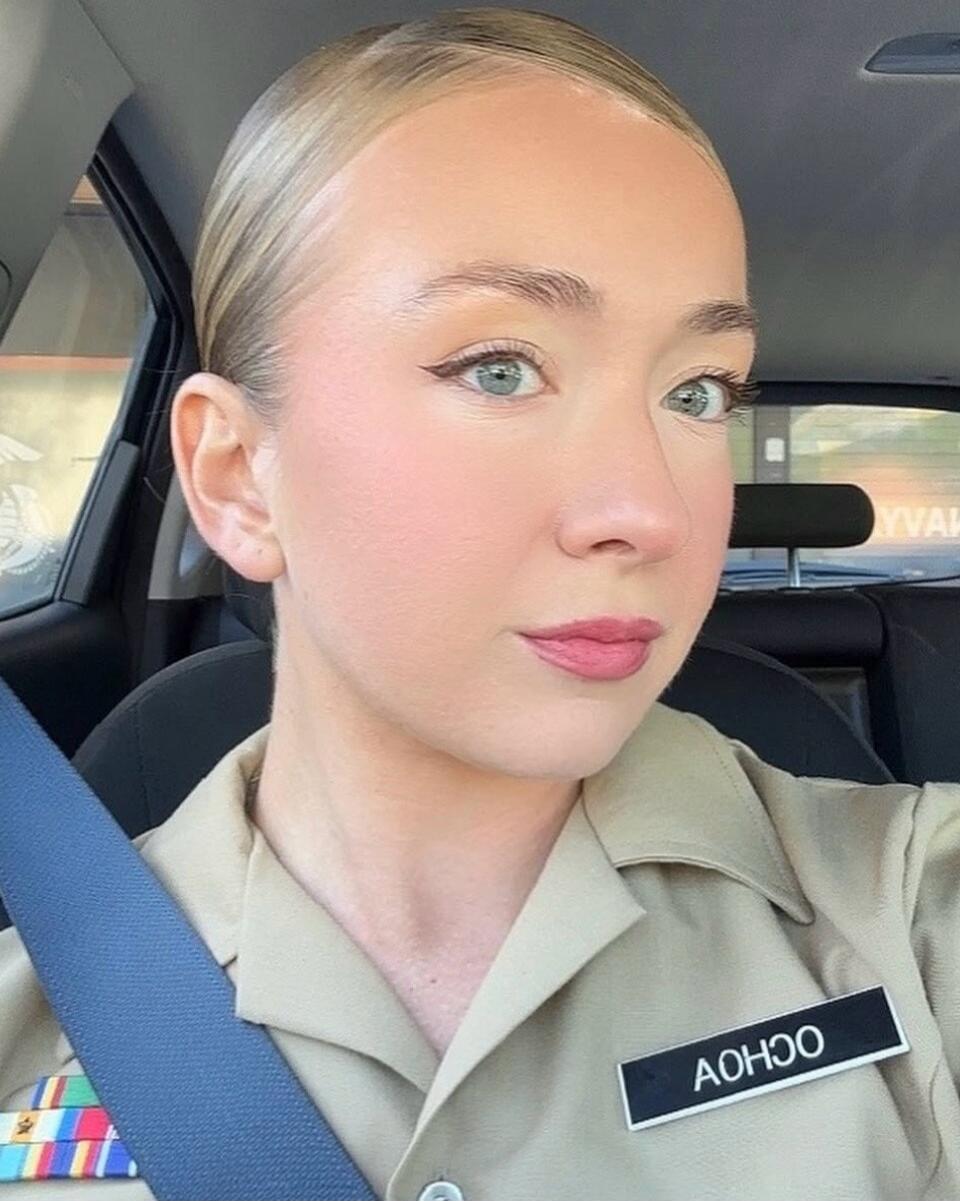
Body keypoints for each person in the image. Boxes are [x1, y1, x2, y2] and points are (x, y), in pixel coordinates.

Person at [1, 7, 959, 1199]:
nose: (647, 510)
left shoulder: (911, 917)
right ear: (238, 477)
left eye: (700, 391)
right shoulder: (36, 1022)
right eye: (498, 368)